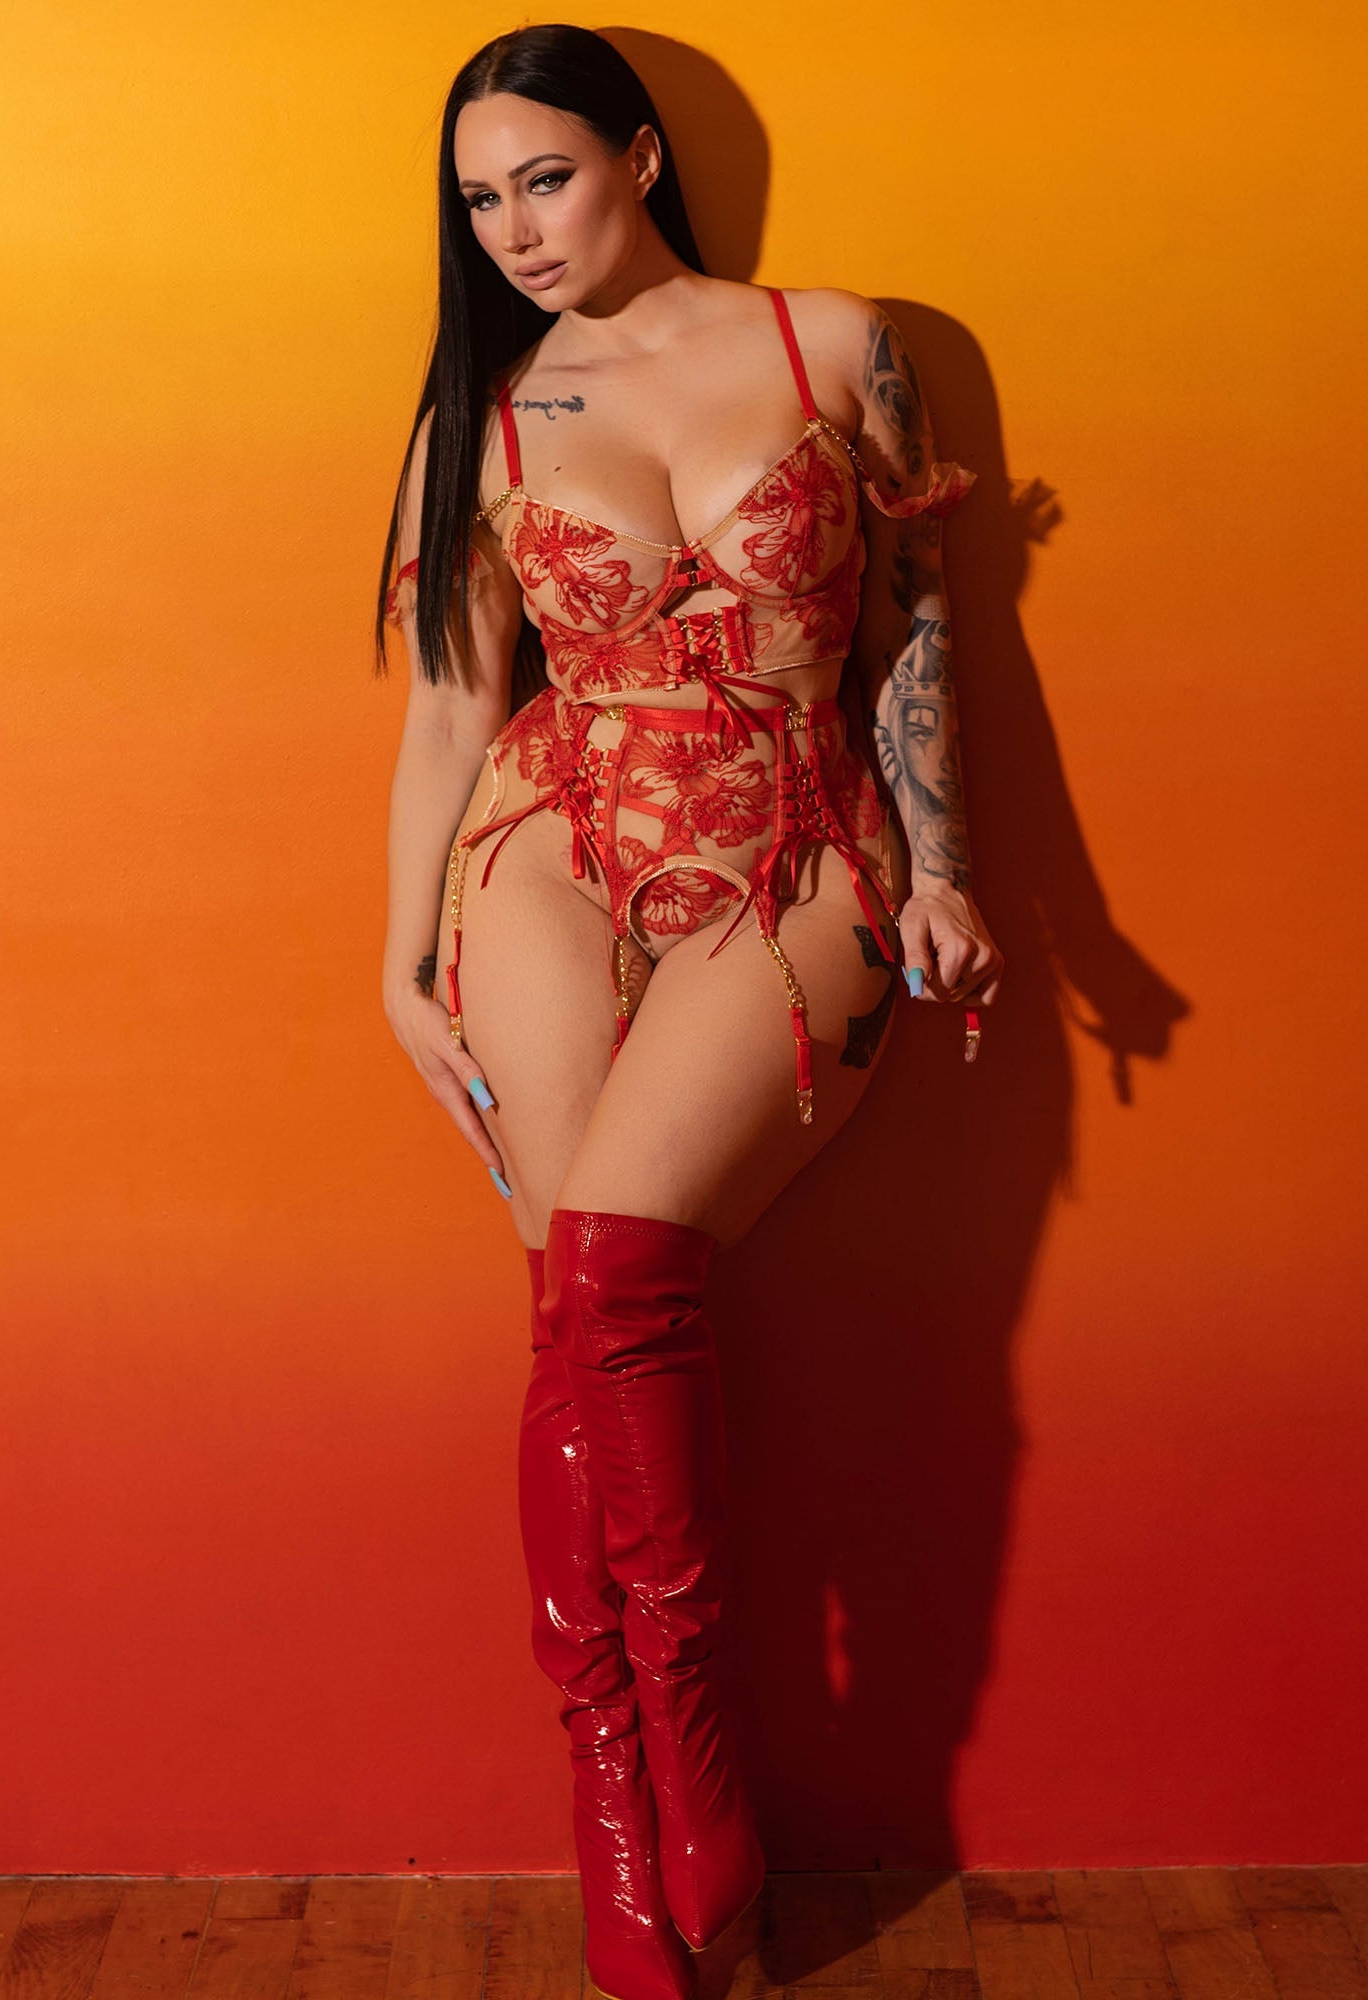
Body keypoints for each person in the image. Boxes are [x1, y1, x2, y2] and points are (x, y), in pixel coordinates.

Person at [377, 25, 1004, 2000]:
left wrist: (946, 864)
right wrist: (397, 956)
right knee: (573, 1305)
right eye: (481, 201)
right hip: (550, 842)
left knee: (617, 1274)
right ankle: (620, 1788)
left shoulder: (835, 346)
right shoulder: (487, 408)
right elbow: (455, 706)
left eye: (545, 178)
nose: (513, 230)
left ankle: (684, 1736)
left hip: (796, 833)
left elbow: (910, 627)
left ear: (639, 156)